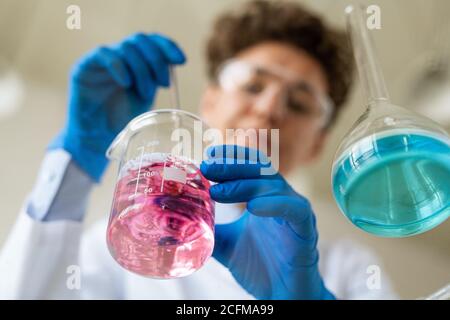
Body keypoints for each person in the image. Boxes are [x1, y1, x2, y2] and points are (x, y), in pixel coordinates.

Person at [0, 0, 396, 299]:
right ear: (209, 102)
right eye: (253, 85)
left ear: (317, 144)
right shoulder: (128, 240)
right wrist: (77, 162)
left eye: (298, 103)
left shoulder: (348, 268)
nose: (269, 107)